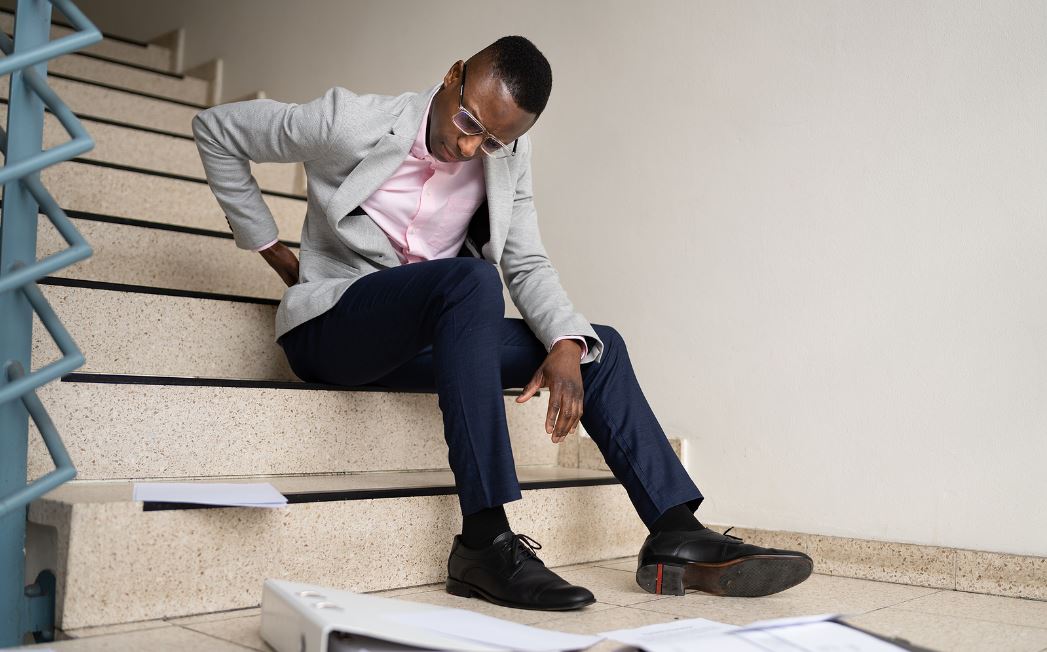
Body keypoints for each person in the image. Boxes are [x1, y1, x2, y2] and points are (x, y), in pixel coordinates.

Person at [193, 35, 813, 612]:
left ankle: (675, 531)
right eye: (468, 123)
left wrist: (566, 344)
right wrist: (271, 247)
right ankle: (483, 542)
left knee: (600, 347)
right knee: (469, 280)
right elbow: (215, 129)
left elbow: (528, 260)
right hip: (333, 332)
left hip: (429, 340)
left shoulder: (506, 158)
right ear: (452, 77)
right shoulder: (349, 121)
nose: (470, 148)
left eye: (490, 141)